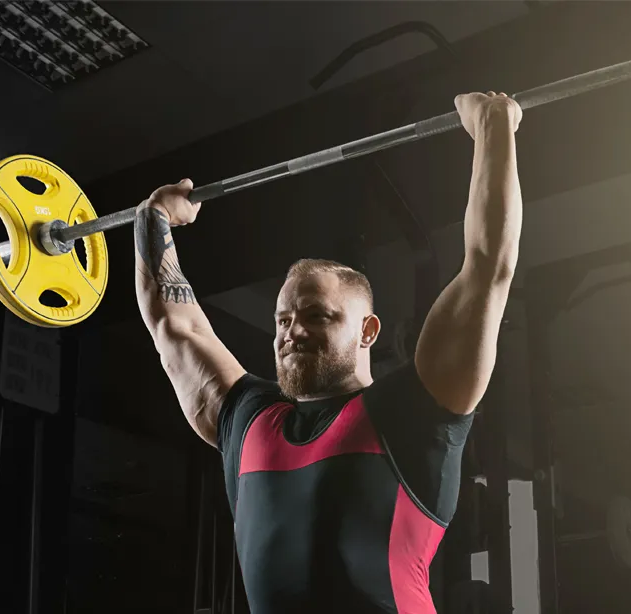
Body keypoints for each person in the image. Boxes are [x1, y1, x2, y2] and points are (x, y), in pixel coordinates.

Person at [133, 91, 523, 613]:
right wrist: (153, 221)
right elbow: (174, 326)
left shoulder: (411, 414)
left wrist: (494, 126)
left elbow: (486, 269)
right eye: (283, 319)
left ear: (368, 331)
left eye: (318, 316)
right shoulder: (247, 421)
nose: (292, 332)